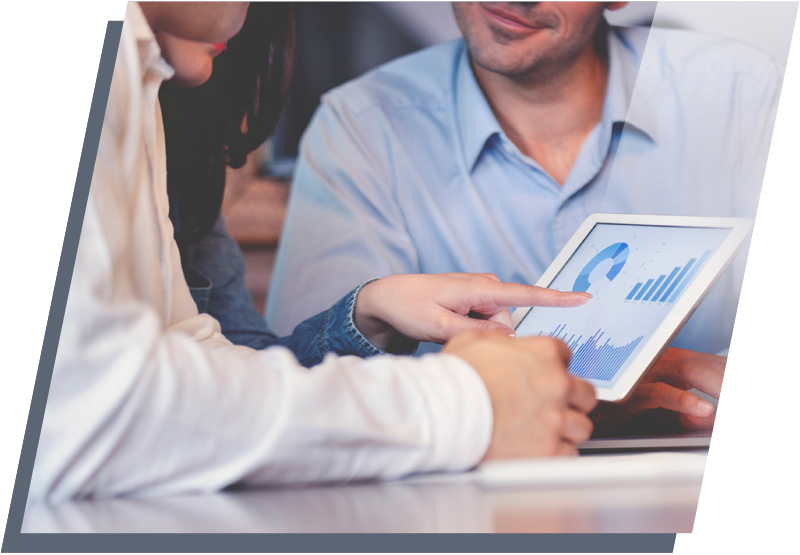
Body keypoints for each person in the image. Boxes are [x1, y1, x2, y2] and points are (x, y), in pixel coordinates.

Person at [19, 1, 597, 502]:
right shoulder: (49, 32)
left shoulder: (130, 62)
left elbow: (198, 354)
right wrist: (467, 404)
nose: (254, 19)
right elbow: (74, 413)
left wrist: (370, 312)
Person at [268, 1, 800, 433]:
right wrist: (592, 380)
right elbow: (310, 381)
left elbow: (789, 347)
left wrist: (692, 388)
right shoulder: (361, 127)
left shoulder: (743, 93)